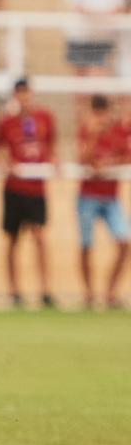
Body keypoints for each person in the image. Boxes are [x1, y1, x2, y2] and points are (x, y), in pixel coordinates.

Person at [0, 79, 56, 309]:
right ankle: (14, 291)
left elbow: (52, 147)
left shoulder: (45, 118)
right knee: (12, 239)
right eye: (20, 94)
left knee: (39, 237)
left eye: (28, 93)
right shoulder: (6, 122)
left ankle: (45, 290)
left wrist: (53, 162)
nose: (25, 98)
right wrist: (4, 162)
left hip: (36, 188)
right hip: (14, 188)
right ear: (15, 97)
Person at [76, 95, 127, 309]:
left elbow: (126, 157)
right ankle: (88, 295)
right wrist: (94, 136)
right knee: (86, 246)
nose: (101, 117)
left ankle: (110, 292)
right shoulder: (85, 131)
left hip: (111, 197)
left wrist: (110, 164)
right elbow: (82, 159)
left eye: (103, 112)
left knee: (125, 243)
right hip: (88, 196)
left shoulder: (118, 133)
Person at [64, 0, 126, 77]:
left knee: (97, 77)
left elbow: (118, 8)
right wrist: (100, 13)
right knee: (80, 78)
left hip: (101, 39)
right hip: (79, 38)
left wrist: (94, 13)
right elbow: (76, 6)